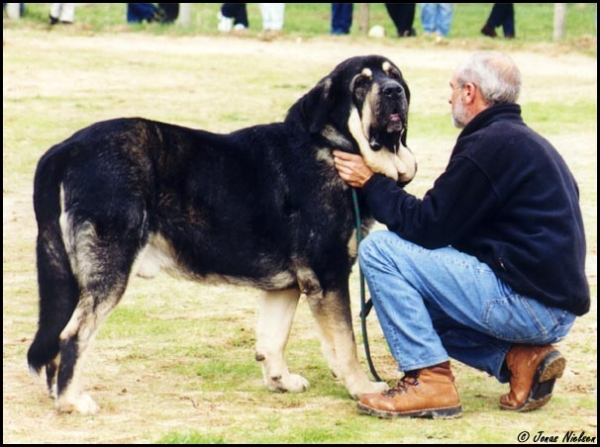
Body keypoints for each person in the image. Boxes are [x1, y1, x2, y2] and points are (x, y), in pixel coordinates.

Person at [333, 51, 589, 419]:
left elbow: (428, 225)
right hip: (550, 305)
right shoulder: (525, 142)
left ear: (470, 92)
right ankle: (522, 359)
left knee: (380, 251)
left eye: (452, 88)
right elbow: (448, 228)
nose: (448, 97)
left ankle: (429, 381)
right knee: (413, 298)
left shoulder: (489, 145)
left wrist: (372, 183)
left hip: (529, 304)